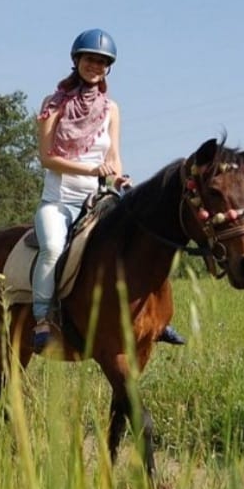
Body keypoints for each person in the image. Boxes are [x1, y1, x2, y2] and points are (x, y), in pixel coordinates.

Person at [30, 29, 185, 352]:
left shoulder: (111, 109)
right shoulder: (53, 104)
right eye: (90, 59)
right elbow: (47, 158)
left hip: (97, 199)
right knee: (53, 249)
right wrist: (89, 169)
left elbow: (112, 156)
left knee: (138, 243)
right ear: (77, 61)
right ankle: (43, 318)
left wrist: (119, 178)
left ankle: (156, 316)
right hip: (59, 201)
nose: (95, 66)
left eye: (102, 62)